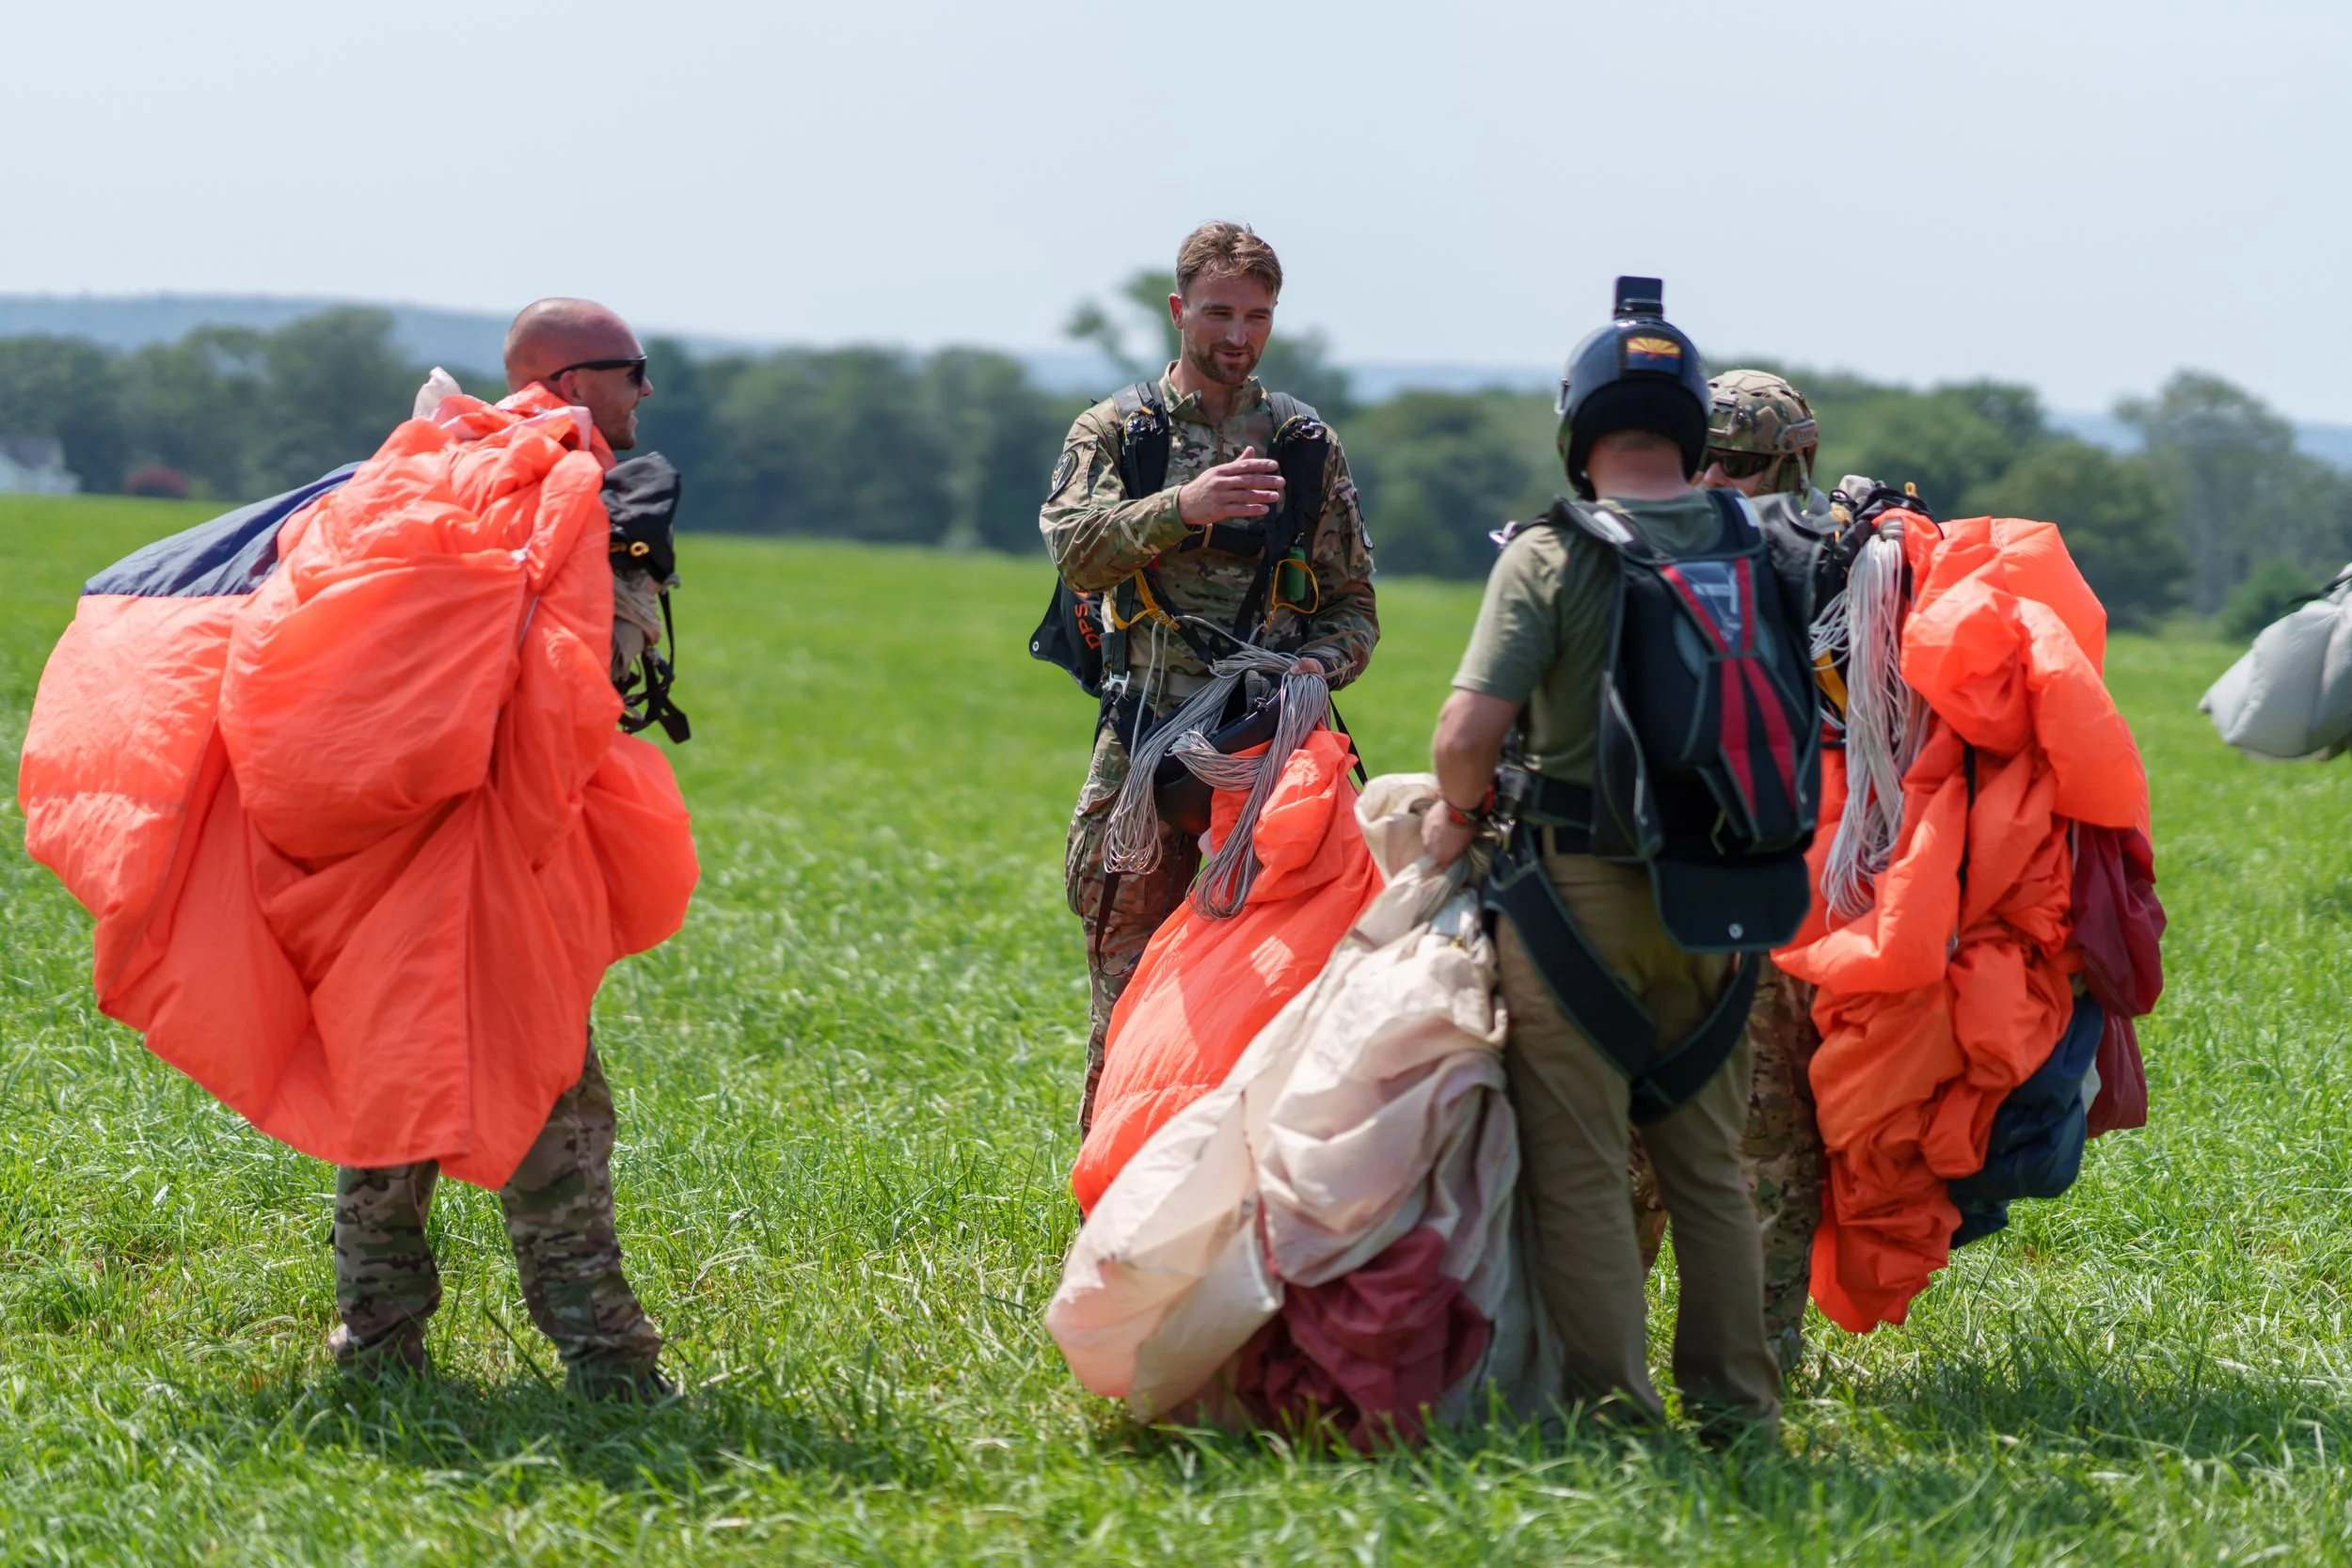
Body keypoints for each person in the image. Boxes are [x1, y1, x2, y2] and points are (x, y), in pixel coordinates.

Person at [1422, 281, 1823, 1439]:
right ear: (1693, 426)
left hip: (1579, 896)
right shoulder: (1762, 543)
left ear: (1579, 426)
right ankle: (1739, 1408)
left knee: (1588, 1170)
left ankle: (1613, 1416)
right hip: (1726, 900)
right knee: (1707, 1167)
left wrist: (1458, 812)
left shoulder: (1551, 552)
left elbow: (1462, 740)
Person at [329, 298, 673, 1398]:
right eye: (632, 370)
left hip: (388, 851)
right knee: (553, 1100)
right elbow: (579, 695)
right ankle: (607, 1360)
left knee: (392, 1088)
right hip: (497, 857)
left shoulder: (423, 471)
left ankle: (377, 1343)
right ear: (574, 383)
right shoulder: (570, 494)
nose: (644, 392)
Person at [1040, 223, 1378, 1132]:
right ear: (1179, 309)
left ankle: (1249, 1212)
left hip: (1271, 756)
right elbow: (1075, 551)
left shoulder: (1305, 442)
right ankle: (1110, 1215)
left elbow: (1354, 608)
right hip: (1147, 748)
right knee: (1128, 987)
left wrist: (1312, 667)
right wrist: (1182, 508)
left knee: (1277, 989)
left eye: (1258, 316)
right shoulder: (1120, 433)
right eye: (1221, 312)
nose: (1239, 335)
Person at [1627, 369, 1832, 1377]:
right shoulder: (1821, 556)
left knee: (1671, 1135)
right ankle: (1728, 1358)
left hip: (1679, 894)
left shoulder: (1613, 541)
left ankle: (1631, 1354)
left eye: (1729, 462)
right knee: (1744, 1144)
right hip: (1717, 892)